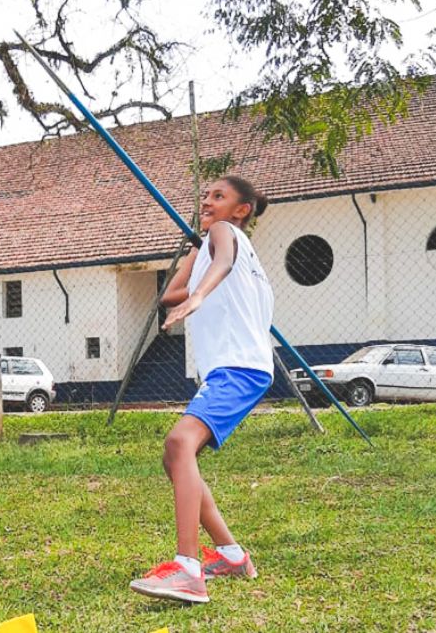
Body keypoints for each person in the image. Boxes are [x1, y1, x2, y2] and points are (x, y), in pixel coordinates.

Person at [129, 176, 274, 604]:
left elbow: (220, 264)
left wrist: (199, 296)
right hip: (234, 369)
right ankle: (230, 555)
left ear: (241, 210)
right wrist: (194, 255)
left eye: (218, 197)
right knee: (175, 458)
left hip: (238, 367)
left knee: (179, 443)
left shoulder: (226, 235)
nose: (206, 202)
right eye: (206, 196)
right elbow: (170, 295)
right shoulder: (212, 244)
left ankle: (188, 570)